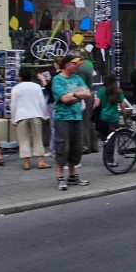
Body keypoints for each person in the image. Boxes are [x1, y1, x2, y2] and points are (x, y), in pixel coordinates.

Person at [50, 54, 90, 190]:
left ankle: (73, 176)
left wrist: (73, 95)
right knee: (62, 147)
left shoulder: (77, 78)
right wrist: (77, 95)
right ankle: (60, 177)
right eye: (74, 64)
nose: (77, 66)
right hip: (62, 118)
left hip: (77, 117)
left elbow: (88, 93)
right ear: (67, 65)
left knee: (76, 147)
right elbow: (64, 99)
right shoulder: (57, 80)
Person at [11, 67, 50, 170]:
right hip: (35, 114)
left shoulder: (16, 88)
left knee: (23, 139)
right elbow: (42, 102)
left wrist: (13, 119)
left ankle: (27, 162)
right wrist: (44, 115)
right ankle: (40, 161)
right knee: (38, 138)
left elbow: (13, 105)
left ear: (20, 76)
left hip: (21, 116)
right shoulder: (36, 86)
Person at [75, 51, 99, 155]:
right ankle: (94, 145)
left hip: (85, 95)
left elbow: (81, 85)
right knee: (90, 120)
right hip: (91, 92)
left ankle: (85, 146)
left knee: (84, 121)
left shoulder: (80, 69)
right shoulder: (88, 66)